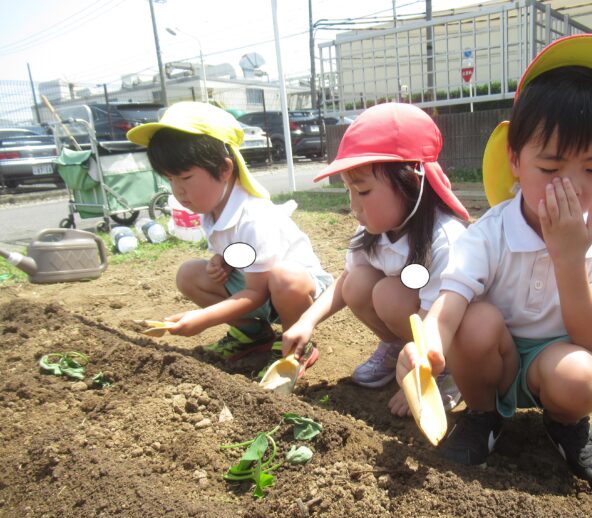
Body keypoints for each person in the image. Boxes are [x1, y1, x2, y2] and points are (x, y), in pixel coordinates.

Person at [396, 34, 592, 496]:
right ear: (515, 159)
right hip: (497, 360)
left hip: (562, 358)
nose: (571, 186)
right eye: (550, 168)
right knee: (474, 322)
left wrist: (569, 258)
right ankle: (483, 414)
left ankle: (566, 425)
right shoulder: (489, 232)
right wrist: (425, 348)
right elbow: (450, 303)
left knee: (580, 377)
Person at [282, 102, 469, 416]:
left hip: (450, 335)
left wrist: (420, 372)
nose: (354, 206)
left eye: (364, 191)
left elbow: (439, 318)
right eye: (349, 191)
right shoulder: (373, 231)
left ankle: (444, 372)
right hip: (414, 316)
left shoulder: (444, 238)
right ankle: (397, 348)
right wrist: (306, 321)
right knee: (356, 282)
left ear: (412, 181)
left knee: (387, 294)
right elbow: (345, 281)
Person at [127, 102, 333, 364]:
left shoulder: (253, 216)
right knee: (189, 274)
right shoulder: (211, 209)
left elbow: (257, 293)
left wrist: (204, 318)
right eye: (170, 179)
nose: (178, 190)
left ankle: (295, 345)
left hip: (298, 293)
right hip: (258, 286)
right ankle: (252, 334)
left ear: (225, 169)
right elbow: (241, 254)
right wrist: (221, 260)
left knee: (285, 278)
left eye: (186, 177)